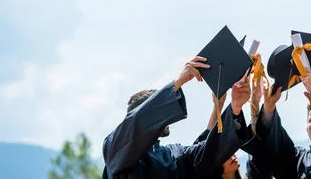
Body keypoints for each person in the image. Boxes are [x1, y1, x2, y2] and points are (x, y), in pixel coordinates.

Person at [102, 56, 253, 178]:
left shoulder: (173, 154)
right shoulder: (115, 150)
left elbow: (207, 148)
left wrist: (235, 107)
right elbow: (136, 122)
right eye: (158, 108)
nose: (166, 114)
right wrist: (179, 82)